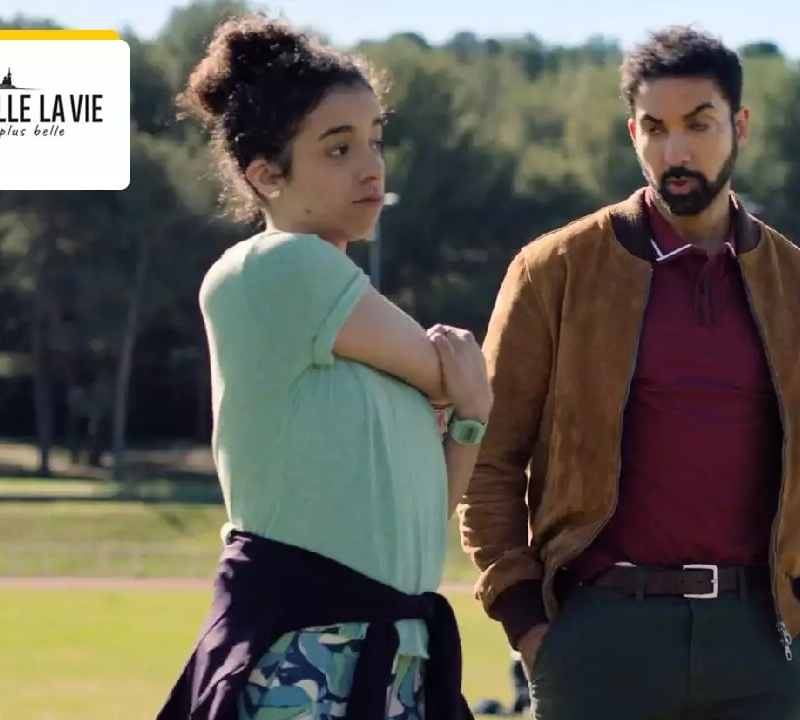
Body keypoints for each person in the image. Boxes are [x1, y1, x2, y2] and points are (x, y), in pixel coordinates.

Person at [458, 26, 800, 720]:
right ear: (632, 133)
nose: (676, 151)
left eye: (698, 125)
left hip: (764, 646)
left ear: (739, 126)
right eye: (655, 128)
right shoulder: (555, 271)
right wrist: (526, 620)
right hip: (599, 639)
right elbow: (488, 458)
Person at [158, 15, 486, 720]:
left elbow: (421, 526)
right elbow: (449, 372)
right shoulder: (278, 265)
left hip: (393, 659)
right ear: (265, 175)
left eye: (374, 140)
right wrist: (464, 393)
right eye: (338, 148)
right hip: (307, 657)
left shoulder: (359, 339)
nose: (371, 167)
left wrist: (471, 418)